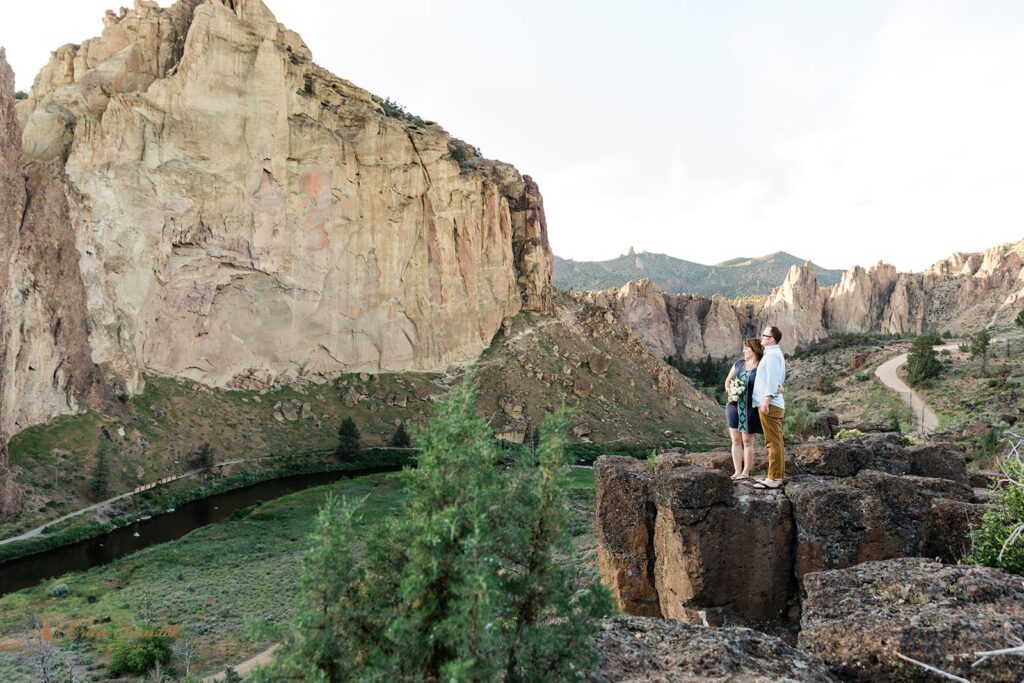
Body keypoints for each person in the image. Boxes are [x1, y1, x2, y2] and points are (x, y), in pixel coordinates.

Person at [750, 325, 786, 489]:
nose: (761, 337)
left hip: (770, 405)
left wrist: (767, 399)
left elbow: (772, 379)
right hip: (771, 403)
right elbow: (779, 379)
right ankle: (775, 476)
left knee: (772, 442)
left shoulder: (772, 356)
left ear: (771, 339)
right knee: (775, 441)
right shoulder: (773, 354)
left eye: (764, 335)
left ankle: (774, 478)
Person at [723, 338, 764, 481]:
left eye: (746, 348)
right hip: (733, 407)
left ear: (754, 350)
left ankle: (746, 472)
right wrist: (730, 392)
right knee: (735, 440)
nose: (743, 351)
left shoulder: (761, 366)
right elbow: (728, 380)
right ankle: (736, 471)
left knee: (747, 440)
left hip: (750, 408)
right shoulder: (738, 364)